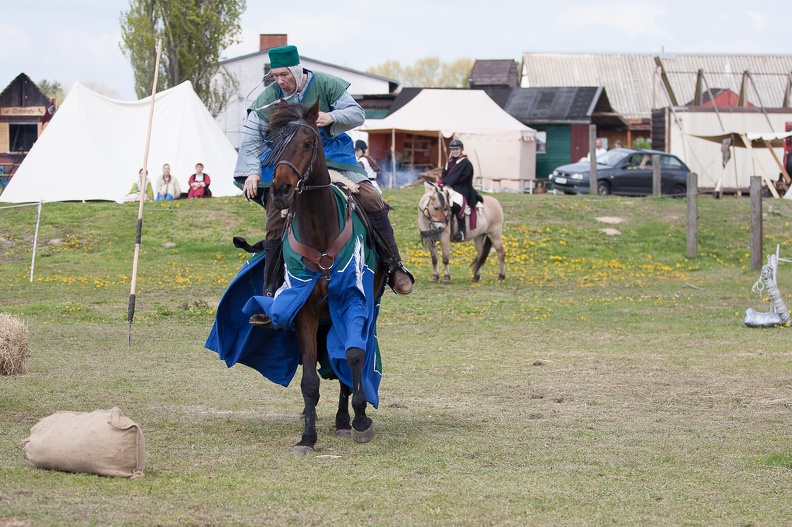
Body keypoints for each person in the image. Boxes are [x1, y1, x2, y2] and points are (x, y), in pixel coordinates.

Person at [235, 44, 413, 297]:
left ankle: (394, 266)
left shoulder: (327, 84)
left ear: (296, 71)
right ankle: (270, 288)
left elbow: (356, 113)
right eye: (275, 76)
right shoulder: (269, 98)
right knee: (276, 214)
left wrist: (331, 117)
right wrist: (252, 172)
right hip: (292, 161)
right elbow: (252, 137)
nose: (280, 81)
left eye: (284, 75)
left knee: (371, 198)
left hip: (332, 156)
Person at [437, 139, 481, 242]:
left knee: (457, 205)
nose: (455, 151)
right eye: (453, 149)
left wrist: (446, 182)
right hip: (449, 187)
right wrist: (441, 182)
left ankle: (462, 231)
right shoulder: (449, 162)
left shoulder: (466, 163)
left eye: (457, 149)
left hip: (462, 188)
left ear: (461, 149)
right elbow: (445, 175)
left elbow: (460, 178)